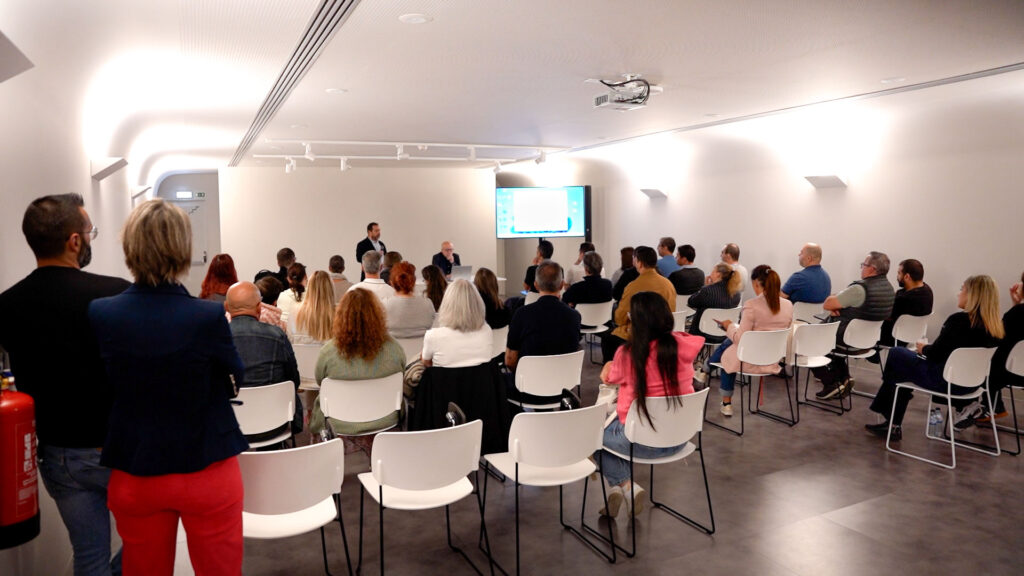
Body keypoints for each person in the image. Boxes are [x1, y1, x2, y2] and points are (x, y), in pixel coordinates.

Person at [88, 199, 247, 575]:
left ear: (130, 247)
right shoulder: (207, 315)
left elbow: (101, 387)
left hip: (136, 467)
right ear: (182, 249)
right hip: (207, 464)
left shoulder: (102, 313)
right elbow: (235, 377)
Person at [0, 193, 130, 576]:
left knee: (88, 555)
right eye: (90, 232)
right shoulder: (115, 293)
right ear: (75, 240)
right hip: (117, 449)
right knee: (143, 542)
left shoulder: (6, 305)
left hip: (56, 454)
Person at [595, 292, 703, 517]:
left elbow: (609, 378)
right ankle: (618, 491)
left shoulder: (628, 354)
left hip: (641, 441)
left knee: (591, 438)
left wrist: (607, 364)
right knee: (607, 440)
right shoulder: (683, 346)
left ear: (636, 321)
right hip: (681, 437)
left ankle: (625, 487)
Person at [866, 275, 1004, 440]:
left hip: (944, 380)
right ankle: (892, 422)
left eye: (962, 290)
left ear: (973, 295)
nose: (958, 294)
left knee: (897, 354)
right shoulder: (996, 329)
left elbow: (935, 354)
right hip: (972, 386)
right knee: (901, 370)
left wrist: (923, 348)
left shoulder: (958, 321)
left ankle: (891, 420)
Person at [310, 288, 406, 439]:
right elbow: (402, 373)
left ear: (341, 316)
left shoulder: (328, 352)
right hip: (386, 418)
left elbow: (319, 380)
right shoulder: (394, 349)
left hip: (337, 420)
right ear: (377, 315)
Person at [708, 265, 794, 416]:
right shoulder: (788, 305)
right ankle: (706, 368)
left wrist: (728, 327)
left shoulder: (751, 305)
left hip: (749, 360)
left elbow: (740, 339)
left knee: (730, 350)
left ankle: (726, 402)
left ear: (756, 283)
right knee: (731, 344)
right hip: (772, 359)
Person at [812, 251, 896, 400]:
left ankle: (831, 383)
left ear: (872, 269)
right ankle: (844, 378)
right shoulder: (889, 289)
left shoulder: (859, 289)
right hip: (867, 344)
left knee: (808, 342)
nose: (861, 267)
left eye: (864, 265)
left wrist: (836, 304)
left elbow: (827, 304)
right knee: (832, 347)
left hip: (846, 341)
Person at [225, 281, 303, 436]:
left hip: (230, 425)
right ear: (259, 308)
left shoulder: (215, 338)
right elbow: (294, 379)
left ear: (226, 307)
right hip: (275, 423)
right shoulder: (277, 335)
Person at [505, 261, 582, 403]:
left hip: (527, 388)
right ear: (561, 285)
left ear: (536, 285)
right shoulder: (574, 316)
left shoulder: (522, 314)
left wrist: (524, 373)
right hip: (562, 387)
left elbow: (510, 360)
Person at [603, 246, 677, 361]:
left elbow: (620, 318)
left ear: (639, 263)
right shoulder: (668, 284)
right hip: (663, 332)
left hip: (640, 334)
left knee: (607, 338)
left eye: (634, 259)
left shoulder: (633, 286)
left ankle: (615, 369)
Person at [975, 271, 1023, 423]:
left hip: (1011, 373)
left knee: (985, 361)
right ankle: (995, 406)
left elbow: (997, 335)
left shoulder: (1017, 313)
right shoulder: (1018, 312)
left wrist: (1017, 306)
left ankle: (991, 407)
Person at [422, 279, 493, 368]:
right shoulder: (487, 331)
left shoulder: (433, 336)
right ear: (477, 304)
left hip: (443, 377)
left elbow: (426, 364)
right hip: (480, 377)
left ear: (447, 304)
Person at [879, 258, 933, 346]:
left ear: (907, 276)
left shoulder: (904, 299)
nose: (897, 276)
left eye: (899, 273)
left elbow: (886, 315)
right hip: (915, 338)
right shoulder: (928, 291)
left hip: (895, 338)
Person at [688, 263, 743, 339]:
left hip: (702, 333)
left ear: (718, 274)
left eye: (713, 271)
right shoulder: (736, 293)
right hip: (725, 334)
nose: (710, 273)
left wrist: (705, 287)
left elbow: (691, 302)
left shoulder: (708, 291)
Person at [384, 261, 437, 339]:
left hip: (392, 346)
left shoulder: (383, 305)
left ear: (391, 283)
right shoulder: (427, 304)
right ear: (414, 281)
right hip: (421, 346)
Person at [290, 270, 335, 345]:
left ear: (309, 287)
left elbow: (290, 339)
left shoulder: (295, 311)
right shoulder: (338, 314)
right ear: (330, 289)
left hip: (300, 352)